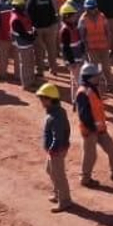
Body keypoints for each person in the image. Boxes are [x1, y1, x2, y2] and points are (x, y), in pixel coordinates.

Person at [76, 64, 113, 186]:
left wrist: (100, 127)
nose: (99, 77)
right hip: (90, 130)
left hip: (100, 128)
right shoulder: (83, 93)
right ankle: (85, 179)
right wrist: (92, 129)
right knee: (90, 156)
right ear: (89, 77)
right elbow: (83, 115)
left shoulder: (94, 88)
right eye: (96, 75)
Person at [38, 82, 73, 212]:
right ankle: (58, 193)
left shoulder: (56, 116)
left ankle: (65, 200)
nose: (41, 102)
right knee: (50, 170)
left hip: (56, 150)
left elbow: (57, 136)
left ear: (49, 100)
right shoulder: (54, 111)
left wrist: (53, 149)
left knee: (59, 174)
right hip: (54, 149)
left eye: (42, 99)